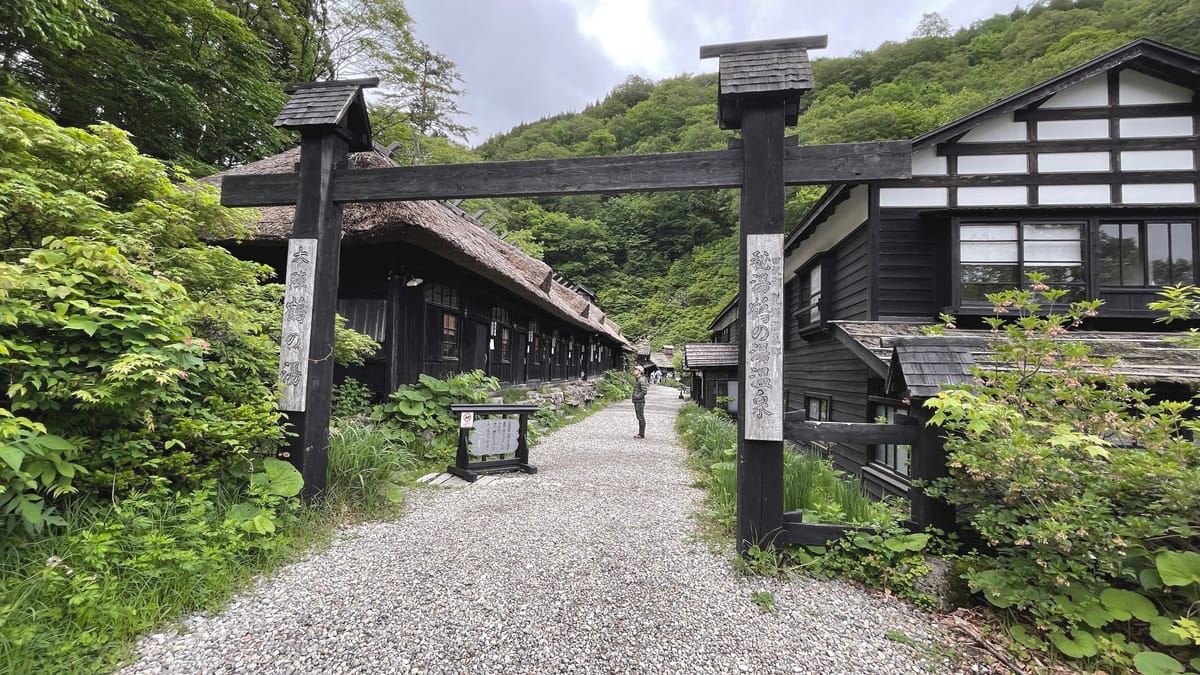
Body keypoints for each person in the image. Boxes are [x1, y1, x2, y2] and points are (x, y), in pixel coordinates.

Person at [632, 365, 648, 438]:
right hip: (638, 401)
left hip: (639, 402)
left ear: (639, 371)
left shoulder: (641, 380)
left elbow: (644, 391)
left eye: (636, 369)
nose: (634, 370)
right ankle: (640, 433)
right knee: (639, 417)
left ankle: (641, 434)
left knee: (641, 417)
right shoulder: (638, 379)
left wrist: (637, 396)